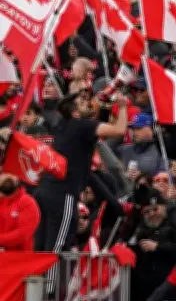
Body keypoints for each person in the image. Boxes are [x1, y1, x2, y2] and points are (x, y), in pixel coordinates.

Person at [34, 92, 127, 255]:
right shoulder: (83, 125)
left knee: (40, 246)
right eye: (82, 102)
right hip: (62, 193)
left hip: (43, 190)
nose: (88, 103)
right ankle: (52, 274)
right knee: (57, 247)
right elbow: (119, 130)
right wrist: (123, 106)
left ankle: (39, 273)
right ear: (75, 113)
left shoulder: (62, 125)